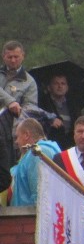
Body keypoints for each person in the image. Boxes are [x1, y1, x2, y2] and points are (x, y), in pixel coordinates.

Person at [0, 40, 38, 179]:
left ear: (23, 56)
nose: (13, 60)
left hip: (12, 132)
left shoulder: (29, 82)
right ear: (4, 57)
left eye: (16, 56)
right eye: (10, 57)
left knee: (8, 172)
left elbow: (30, 109)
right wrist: (10, 101)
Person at [9, 118, 61, 206]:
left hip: (32, 216)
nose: (16, 142)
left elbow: (39, 195)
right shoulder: (39, 152)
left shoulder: (38, 153)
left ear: (26, 135)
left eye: (17, 137)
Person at [39, 73, 84, 150]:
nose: (60, 86)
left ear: (67, 87)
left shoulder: (73, 105)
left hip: (70, 146)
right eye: (56, 83)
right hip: (51, 145)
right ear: (49, 87)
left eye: (63, 83)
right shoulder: (43, 104)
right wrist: (49, 122)